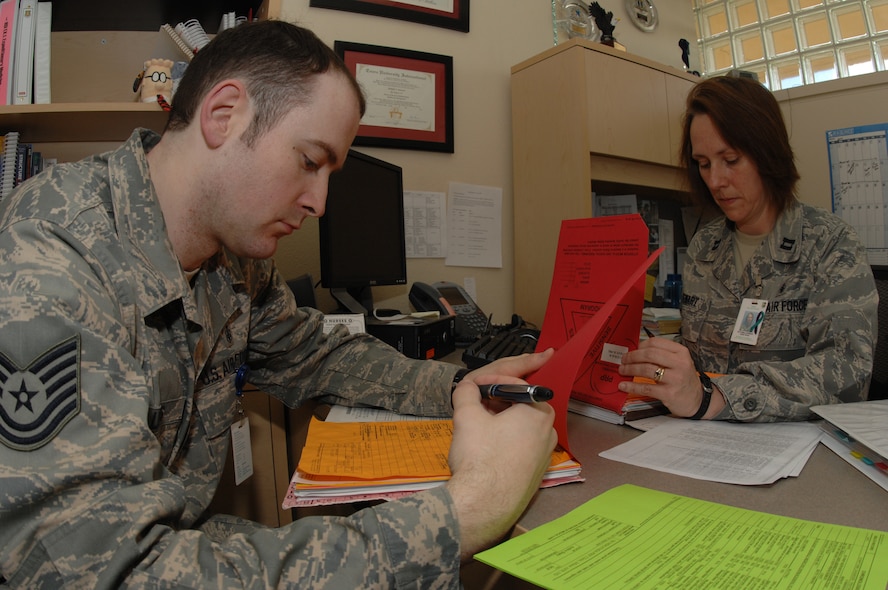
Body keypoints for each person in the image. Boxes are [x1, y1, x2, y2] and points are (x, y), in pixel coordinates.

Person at [0, 20, 557, 588]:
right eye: (310, 161)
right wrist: (466, 512)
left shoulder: (234, 258)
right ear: (224, 116)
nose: (319, 202)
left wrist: (461, 387)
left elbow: (317, 355)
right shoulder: (49, 260)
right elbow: (108, 574)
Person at [618, 75, 877, 422]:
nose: (715, 181)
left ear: (767, 154)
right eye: (704, 163)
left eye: (731, 159)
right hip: (697, 438)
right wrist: (657, 358)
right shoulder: (704, 246)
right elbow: (700, 351)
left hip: (793, 453)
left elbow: (846, 374)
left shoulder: (830, 245)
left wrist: (717, 398)